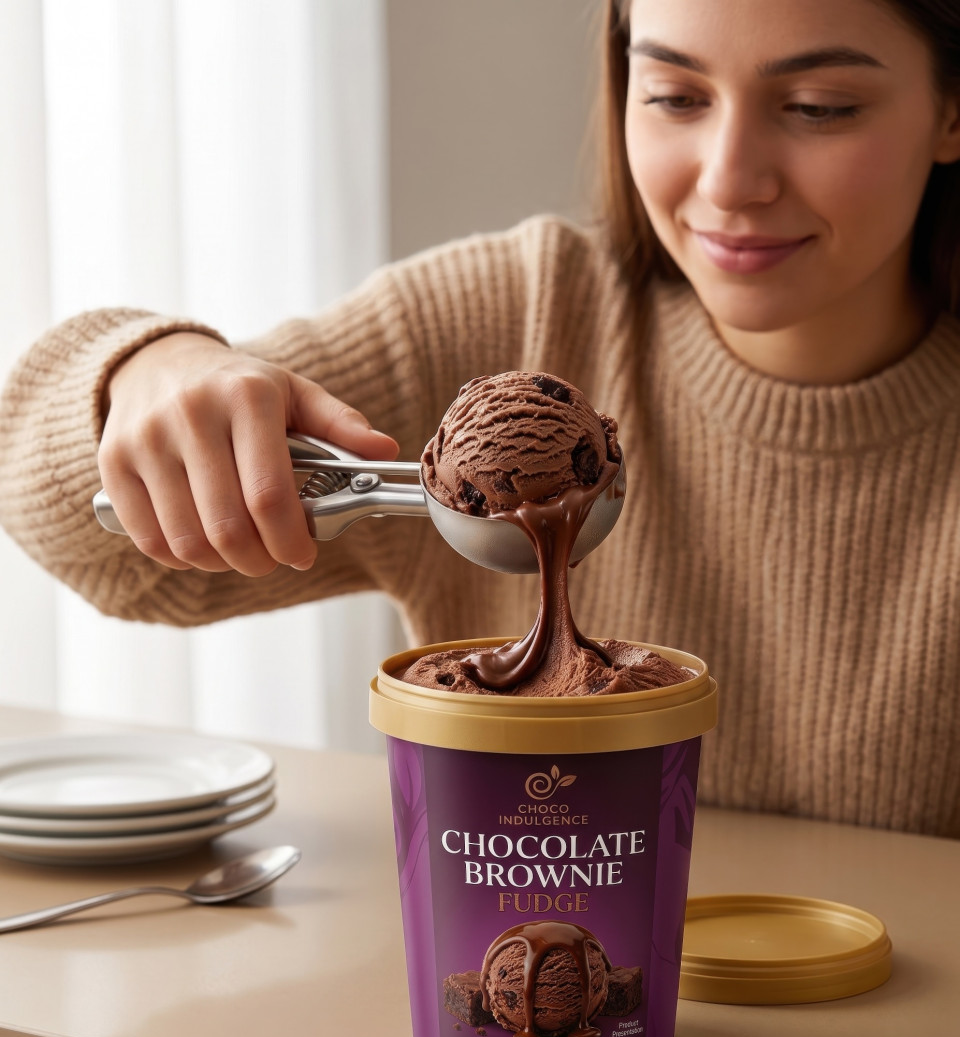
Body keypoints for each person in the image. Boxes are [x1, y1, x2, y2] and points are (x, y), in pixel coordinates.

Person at [2, 0, 959, 836]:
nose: (727, 179)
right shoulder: (514, 315)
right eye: (674, 95)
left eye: (817, 108)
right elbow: (85, 542)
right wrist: (149, 368)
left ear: (950, 105)